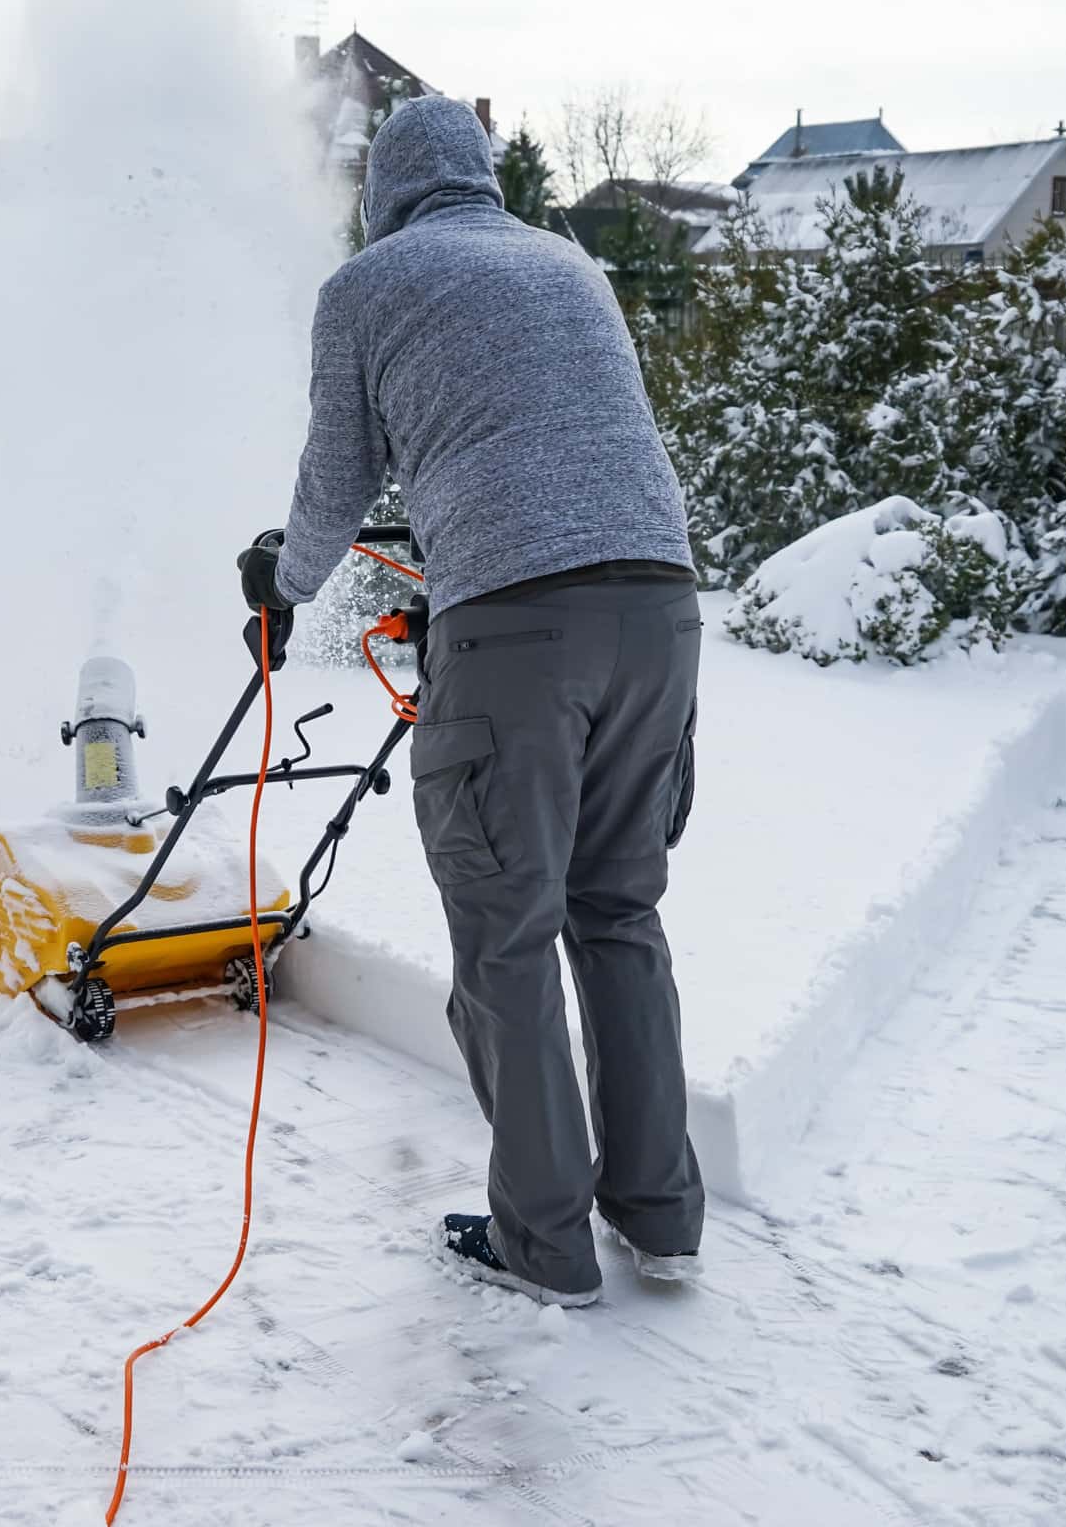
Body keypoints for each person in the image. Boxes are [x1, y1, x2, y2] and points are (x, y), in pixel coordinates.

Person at [235, 95, 704, 1308]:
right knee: (620, 911)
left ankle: (545, 1242)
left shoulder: (373, 284)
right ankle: (660, 1213)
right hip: (662, 613)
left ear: (386, 191)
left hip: (516, 628)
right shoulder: (570, 262)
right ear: (484, 177)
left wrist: (279, 583)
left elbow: (336, 483)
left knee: (506, 933)